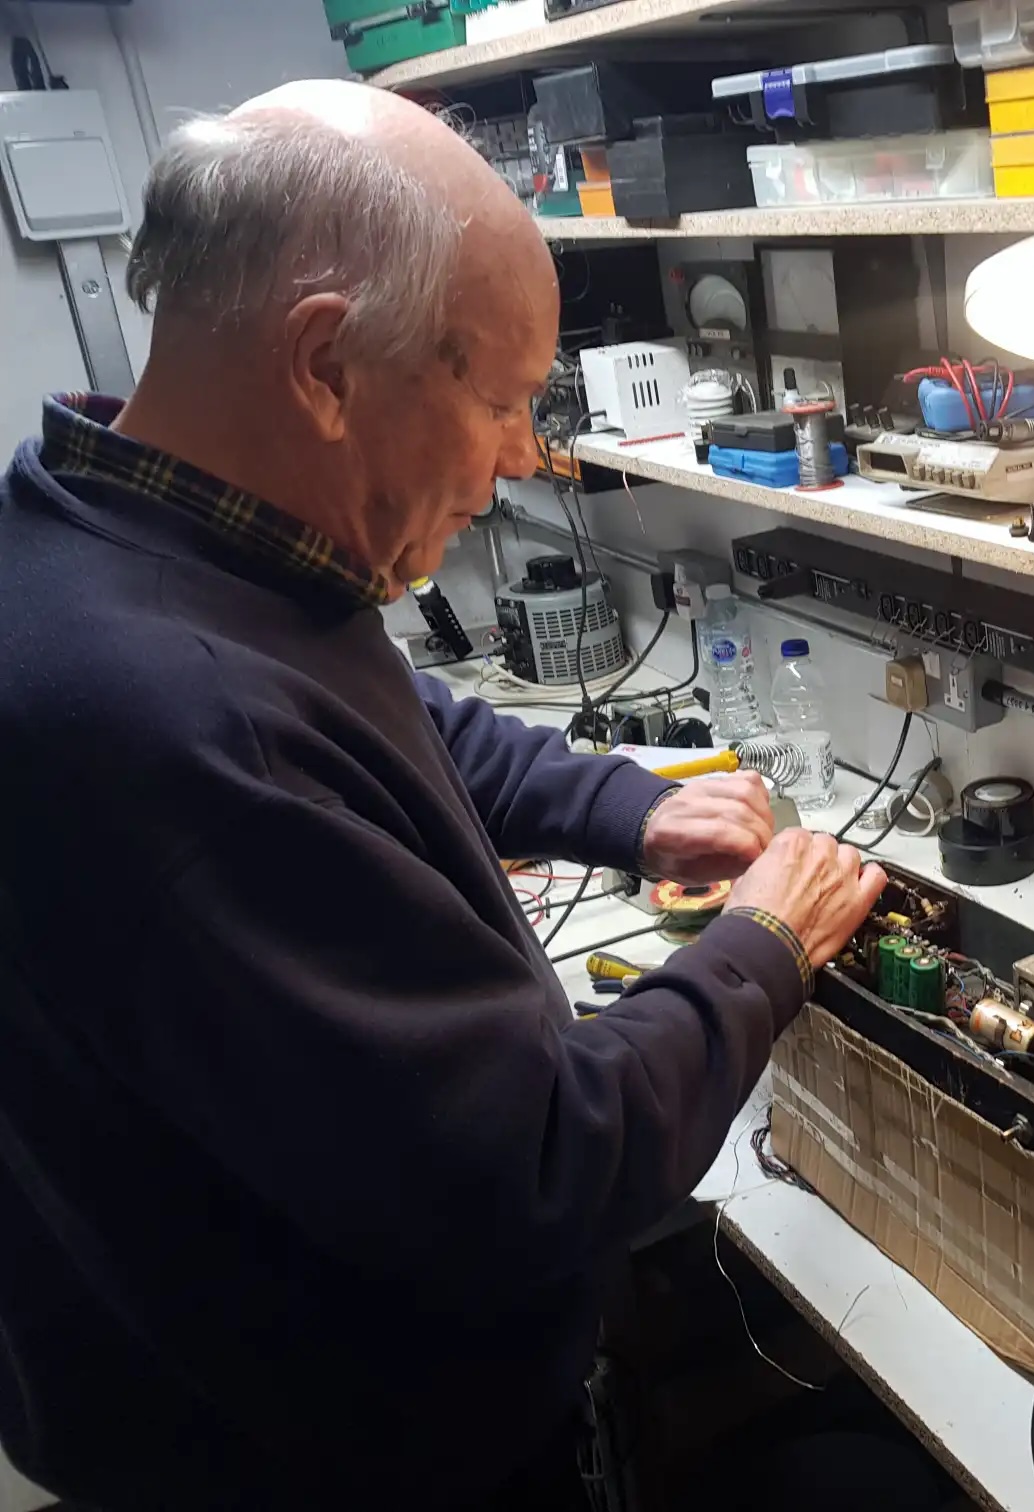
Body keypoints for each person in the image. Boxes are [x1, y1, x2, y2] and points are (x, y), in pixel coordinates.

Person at [0, 81, 885, 1510]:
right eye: (504, 397)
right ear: (326, 364)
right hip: (317, 1460)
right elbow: (542, 1172)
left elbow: (396, 718)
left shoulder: (126, 536)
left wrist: (623, 808)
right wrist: (760, 952)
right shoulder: (169, 724)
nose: (526, 456)